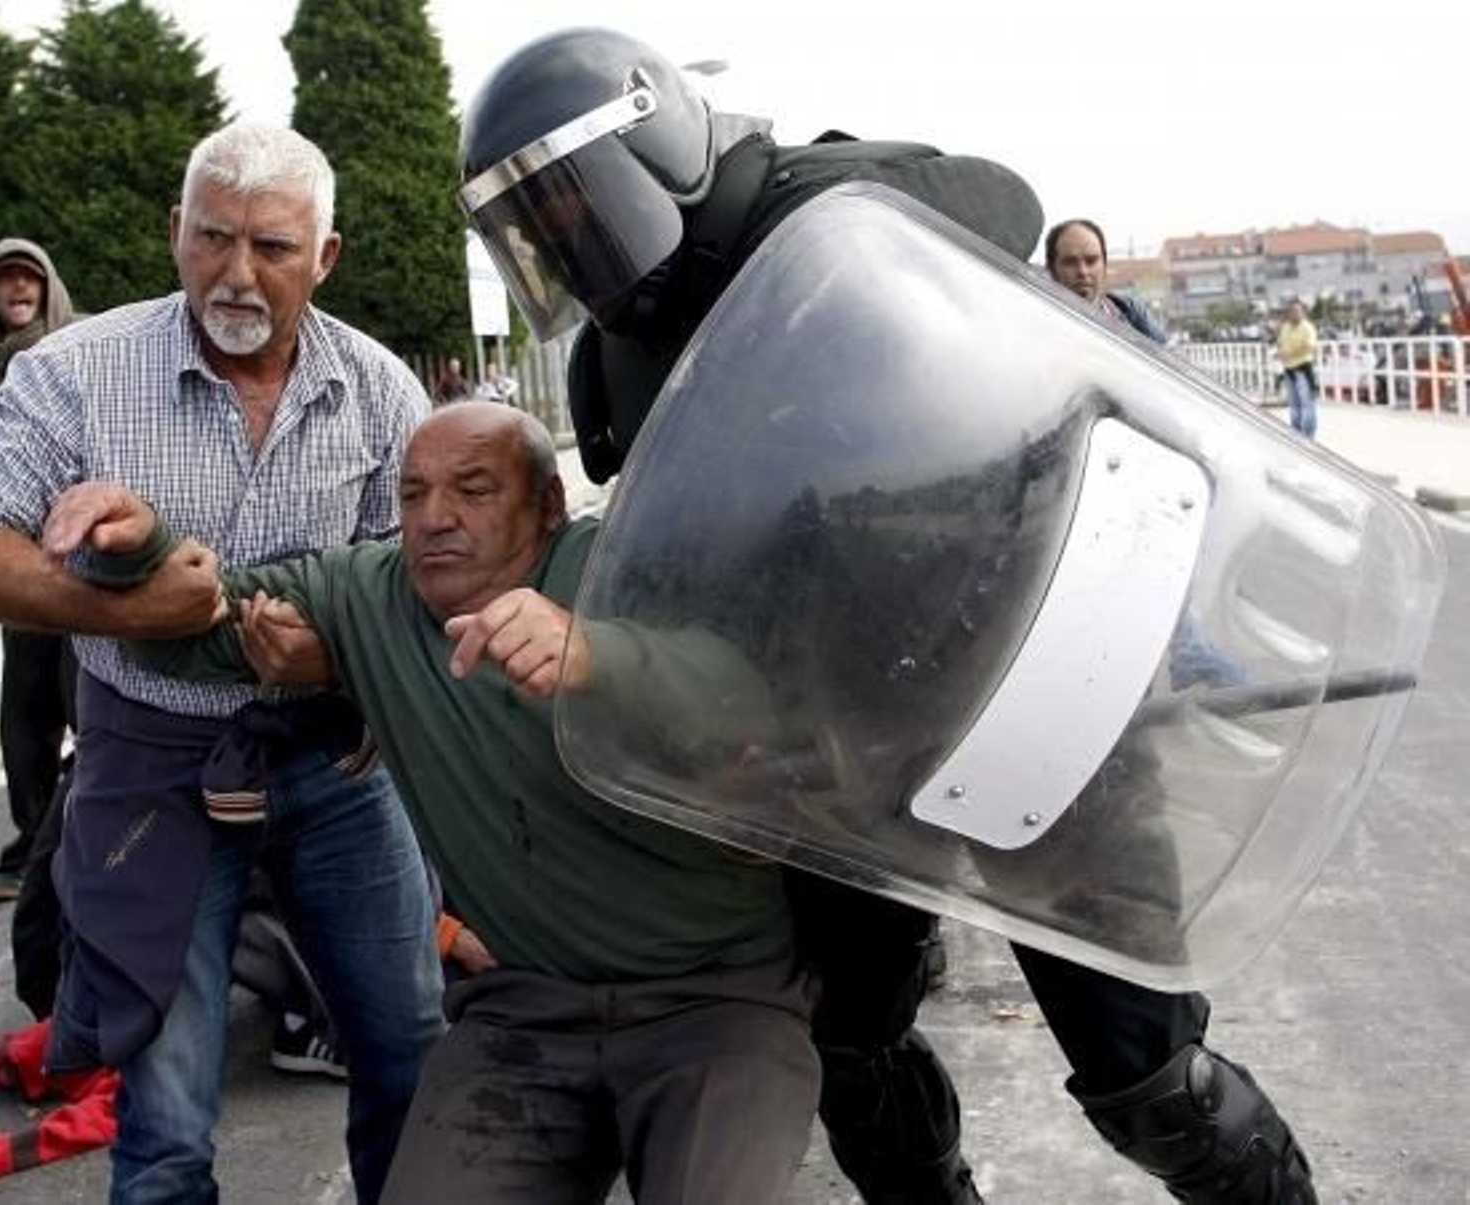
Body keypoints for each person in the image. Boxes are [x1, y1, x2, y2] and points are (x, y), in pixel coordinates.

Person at [454, 29, 1317, 1204]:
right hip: (832, 750)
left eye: (575, 198)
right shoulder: (614, 359)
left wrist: (850, 243)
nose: (565, 236)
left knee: (1151, 1076)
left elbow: (1002, 207)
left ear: (656, 143)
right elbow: (662, 551)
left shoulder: (830, 205)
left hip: (1026, 702)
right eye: (535, 223)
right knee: (850, 1049)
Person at [44, 400, 823, 1205]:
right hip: (525, 1010)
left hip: (717, 1004)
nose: (434, 518)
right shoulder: (366, 597)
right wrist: (137, 553)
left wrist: (599, 655)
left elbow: (747, 694)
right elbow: (201, 625)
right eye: (413, 494)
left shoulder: (620, 568)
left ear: (548, 505)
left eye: (474, 489)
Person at [0, 122, 445, 1205]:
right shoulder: (77, 372)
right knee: (162, 1116)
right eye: (212, 238)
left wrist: (340, 650)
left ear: (326, 256)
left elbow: (432, 587)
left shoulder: (384, 392)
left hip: (334, 764)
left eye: (273, 247)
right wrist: (120, 606)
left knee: (412, 1047)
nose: (237, 273)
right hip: (151, 765)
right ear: (174, 232)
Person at [0, 238, 79, 903]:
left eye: (27, 277)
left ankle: (58, 839)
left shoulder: (67, 351)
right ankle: (36, 838)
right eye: (3, 279)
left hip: (73, 559)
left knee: (85, 705)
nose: (16, 288)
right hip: (20, 564)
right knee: (29, 714)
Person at [1276, 300, 1319, 436]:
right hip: (1289, 370)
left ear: (1303, 312)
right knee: (1294, 406)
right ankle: (1296, 434)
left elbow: (1310, 346)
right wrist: (1281, 353)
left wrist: (1290, 352)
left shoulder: (1308, 327)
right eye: (1292, 311)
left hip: (1303, 369)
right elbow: (1280, 343)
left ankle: (1307, 435)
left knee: (1307, 405)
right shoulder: (1285, 327)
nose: (1294, 313)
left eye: (1297, 311)